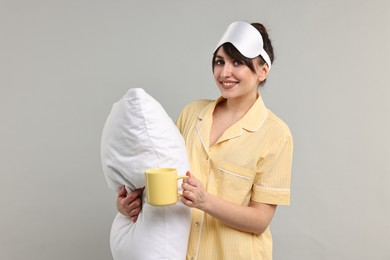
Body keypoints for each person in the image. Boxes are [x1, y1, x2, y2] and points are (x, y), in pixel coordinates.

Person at [117, 21, 293, 260]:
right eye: (220, 61)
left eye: (237, 62)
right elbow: (166, 175)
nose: (224, 72)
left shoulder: (275, 135)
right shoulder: (192, 113)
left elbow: (260, 220)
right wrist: (129, 204)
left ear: (263, 71)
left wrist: (205, 201)